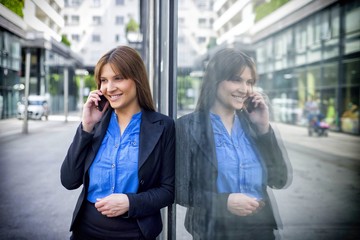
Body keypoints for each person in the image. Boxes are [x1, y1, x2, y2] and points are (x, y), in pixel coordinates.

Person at [60, 46, 175, 240]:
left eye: (118, 78)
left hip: (135, 233)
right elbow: (69, 180)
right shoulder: (95, 124)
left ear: (136, 79)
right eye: (104, 80)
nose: (109, 88)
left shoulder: (163, 126)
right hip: (85, 231)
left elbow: (168, 191)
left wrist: (131, 202)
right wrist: (86, 126)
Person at [176, 48, 292, 240]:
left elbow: (279, 179)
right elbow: (180, 191)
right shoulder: (188, 126)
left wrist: (263, 128)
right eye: (236, 79)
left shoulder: (253, 125)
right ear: (215, 80)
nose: (244, 89)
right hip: (214, 230)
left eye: (249, 82)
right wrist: (224, 202)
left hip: (261, 230)